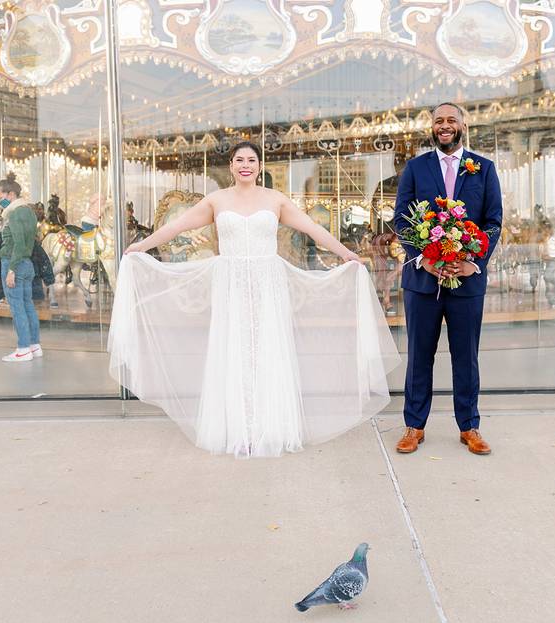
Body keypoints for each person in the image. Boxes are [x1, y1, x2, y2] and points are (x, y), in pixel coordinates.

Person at [111, 141, 399, 458]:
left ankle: (270, 426)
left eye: (251, 160)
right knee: (234, 349)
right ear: (231, 166)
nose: (245, 165)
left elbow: (313, 228)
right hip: (231, 283)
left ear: (259, 166)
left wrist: (346, 253)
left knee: (267, 349)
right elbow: (176, 226)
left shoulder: (275, 200)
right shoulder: (216, 200)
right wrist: (142, 246)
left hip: (267, 283)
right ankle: (238, 427)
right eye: (239, 160)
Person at [393, 102, 503, 456]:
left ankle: (469, 426)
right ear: (432, 127)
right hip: (422, 282)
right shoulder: (415, 168)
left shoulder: (483, 169)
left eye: (451, 120)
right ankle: (414, 426)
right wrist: (424, 258)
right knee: (419, 356)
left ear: (463, 125)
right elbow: (401, 220)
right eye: (438, 121)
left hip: (467, 282)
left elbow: (493, 222)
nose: (444, 126)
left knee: (466, 356)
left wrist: (474, 263)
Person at [0, 172, 42, 363]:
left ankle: (23, 348)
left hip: (14, 262)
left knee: (17, 308)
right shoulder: (28, 211)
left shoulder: (14, 213)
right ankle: (34, 345)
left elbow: (19, 243)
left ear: (10, 194)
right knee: (28, 305)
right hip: (27, 263)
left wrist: (12, 269)